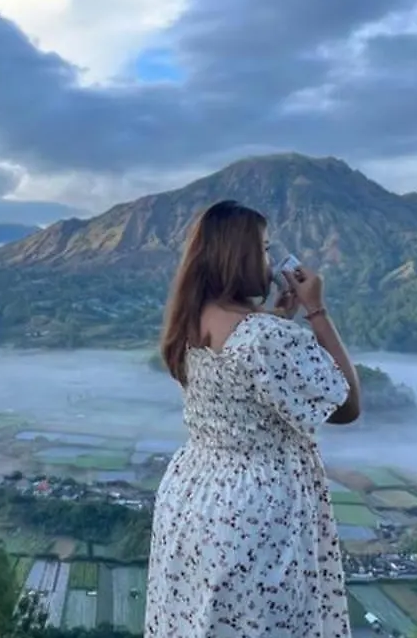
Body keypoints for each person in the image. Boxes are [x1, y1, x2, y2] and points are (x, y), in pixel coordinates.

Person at [145, 199, 361, 638]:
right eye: (263, 248)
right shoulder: (266, 338)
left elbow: (241, 375)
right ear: (239, 257)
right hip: (255, 513)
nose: (269, 259)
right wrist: (317, 312)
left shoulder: (188, 321)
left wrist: (275, 320)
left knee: (199, 621)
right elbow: (347, 405)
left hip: (194, 499)